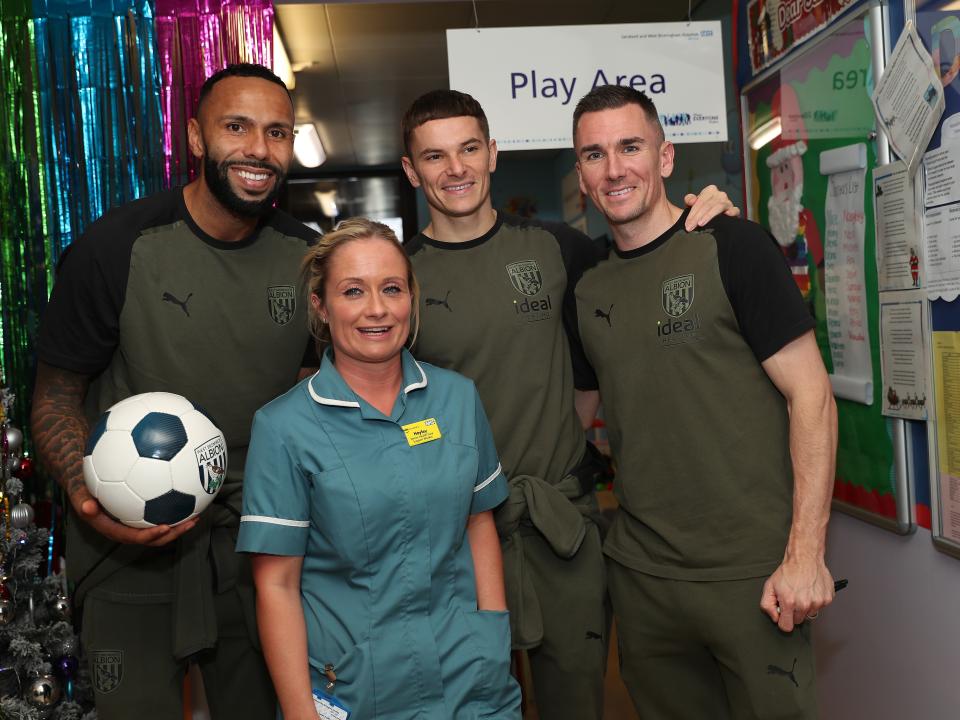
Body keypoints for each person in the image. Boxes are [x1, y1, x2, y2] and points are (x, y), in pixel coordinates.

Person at [398, 88, 739, 719]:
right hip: (451, 538)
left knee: (576, 704)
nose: (456, 169)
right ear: (411, 171)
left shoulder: (559, 249)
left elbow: (646, 260)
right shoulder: (399, 277)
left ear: (493, 153)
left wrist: (708, 209)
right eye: (435, 156)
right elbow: (385, 410)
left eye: (469, 148)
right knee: (469, 706)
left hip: (562, 527)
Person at [30, 64, 315, 719]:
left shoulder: (306, 258)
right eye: (236, 127)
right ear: (194, 137)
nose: (258, 149)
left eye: (277, 132)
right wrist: (84, 493)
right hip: (127, 555)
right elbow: (54, 395)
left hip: (259, 553)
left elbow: (317, 394)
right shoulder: (116, 249)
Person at [570, 84, 838, 720]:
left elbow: (813, 396)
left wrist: (805, 554)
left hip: (755, 577)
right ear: (579, 174)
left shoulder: (732, 247)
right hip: (644, 580)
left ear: (665, 158)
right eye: (594, 154)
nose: (614, 169)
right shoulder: (586, 289)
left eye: (630, 147)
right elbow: (574, 421)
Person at [237, 218, 521, 719]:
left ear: (411, 298)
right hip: (353, 687)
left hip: (469, 680)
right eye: (353, 291)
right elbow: (276, 587)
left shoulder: (456, 398)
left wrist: (493, 634)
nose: (377, 309)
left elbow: (479, 522)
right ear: (322, 307)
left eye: (392, 288)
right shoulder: (284, 428)